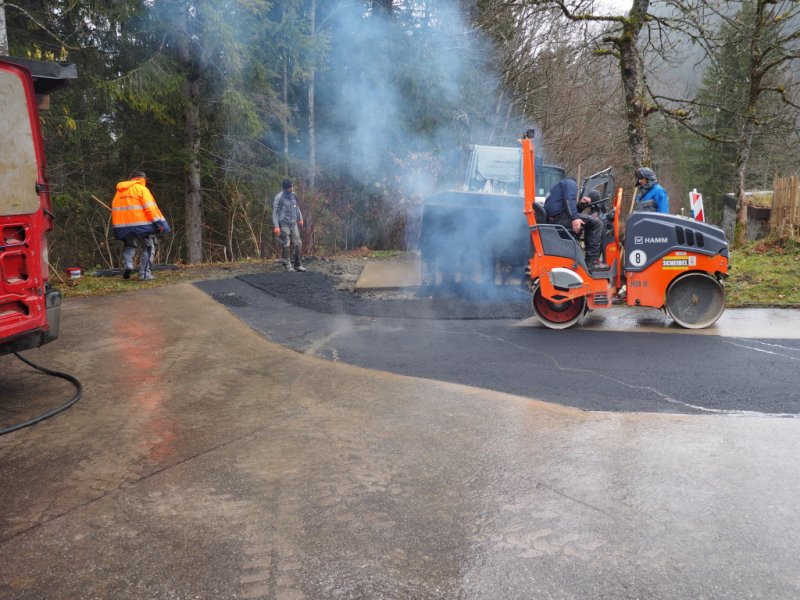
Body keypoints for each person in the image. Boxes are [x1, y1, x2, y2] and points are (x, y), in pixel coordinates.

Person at [111, 171, 171, 281]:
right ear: (143, 179)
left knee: (130, 246)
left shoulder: (119, 192)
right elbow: (150, 208)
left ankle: (128, 265)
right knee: (148, 248)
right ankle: (144, 274)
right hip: (142, 226)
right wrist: (159, 223)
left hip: (122, 227)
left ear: (132, 178)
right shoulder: (142, 189)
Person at [543, 177, 608, 270]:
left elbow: (569, 207)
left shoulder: (559, 187)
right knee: (597, 224)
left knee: (587, 223)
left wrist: (581, 205)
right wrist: (575, 218)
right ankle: (592, 262)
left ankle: (584, 260)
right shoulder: (570, 183)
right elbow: (569, 200)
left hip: (556, 218)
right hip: (560, 218)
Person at [272, 179, 306, 272]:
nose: (292, 188)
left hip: (294, 223)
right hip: (284, 224)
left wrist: (300, 218)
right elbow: (275, 212)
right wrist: (276, 226)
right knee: (286, 243)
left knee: (298, 243)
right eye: (290, 187)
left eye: (292, 187)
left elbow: (297, 207)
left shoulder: (293, 195)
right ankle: (287, 265)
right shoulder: (279, 197)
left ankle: (298, 264)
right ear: (285, 188)